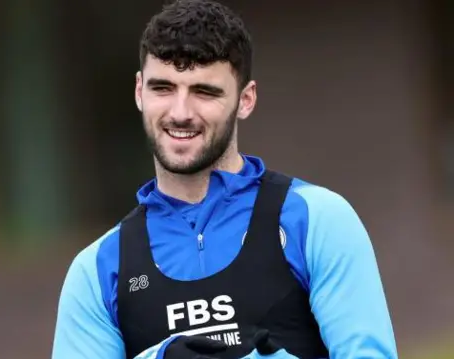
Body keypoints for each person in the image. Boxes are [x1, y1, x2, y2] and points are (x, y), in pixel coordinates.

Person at [51, 0, 398, 358]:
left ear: (245, 100)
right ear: (139, 91)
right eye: (163, 88)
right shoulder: (98, 269)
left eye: (204, 92)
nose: (180, 112)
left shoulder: (316, 220)